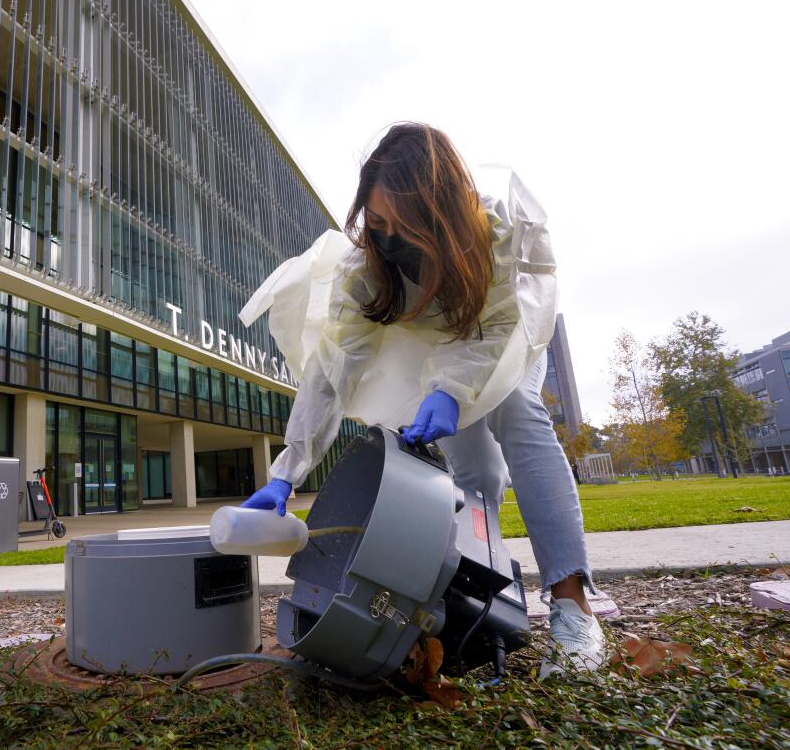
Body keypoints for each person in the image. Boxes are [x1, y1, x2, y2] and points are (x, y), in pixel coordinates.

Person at [238, 123, 603, 678]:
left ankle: (573, 607)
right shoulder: (366, 271)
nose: (385, 237)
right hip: (435, 357)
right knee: (475, 471)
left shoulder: (494, 232)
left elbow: (503, 323)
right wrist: (289, 470)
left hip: (508, 341)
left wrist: (455, 392)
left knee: (520, 417)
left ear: (438, 213)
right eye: (375, 222)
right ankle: (484, 601)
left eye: (400, 224)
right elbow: (331, 370)